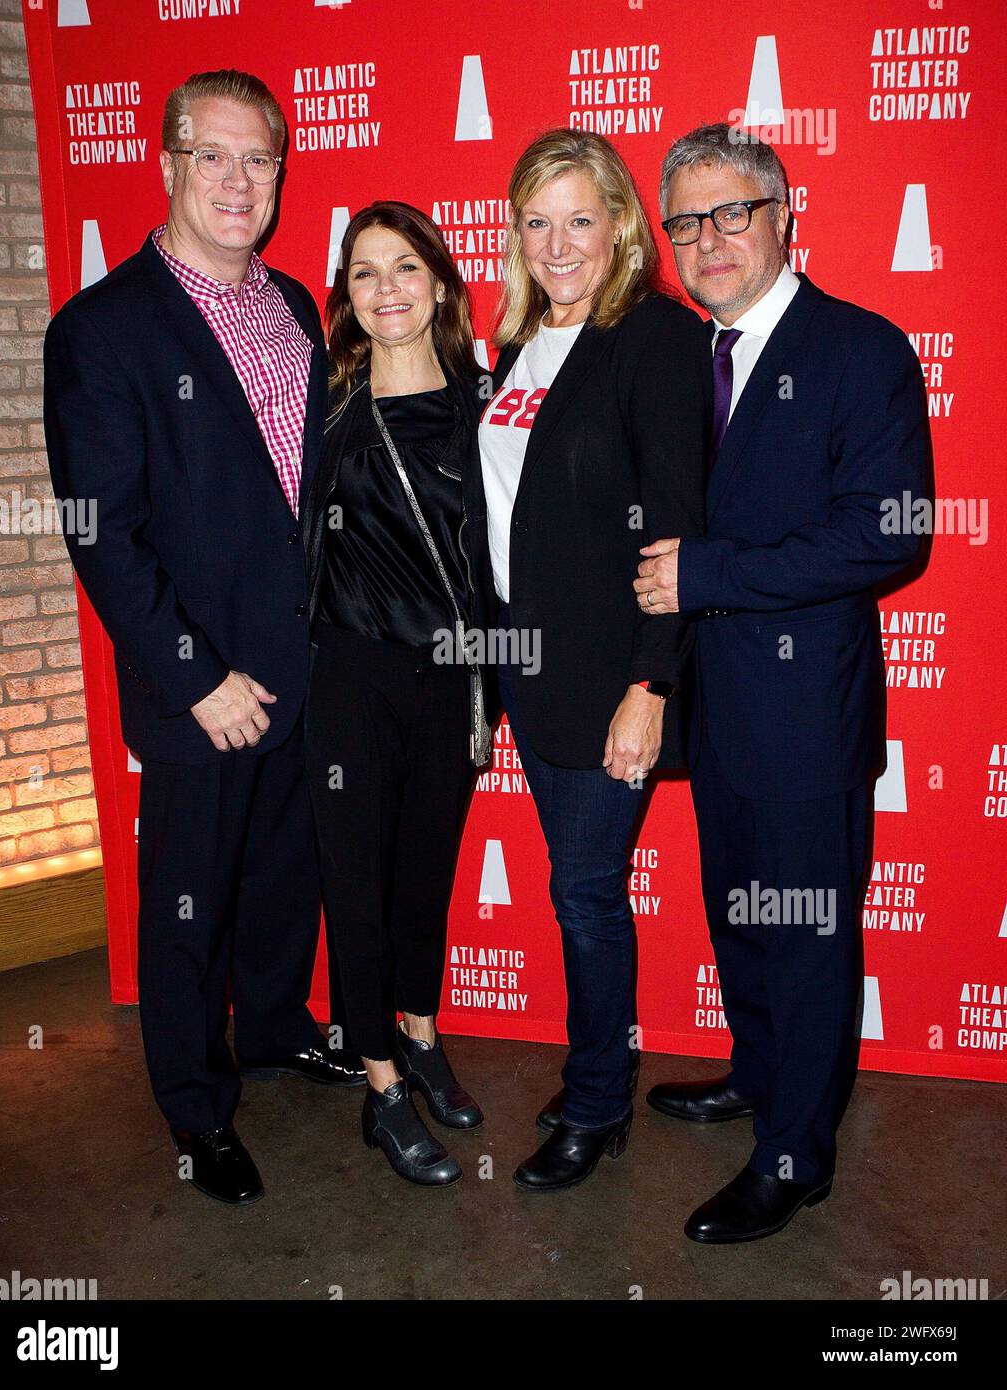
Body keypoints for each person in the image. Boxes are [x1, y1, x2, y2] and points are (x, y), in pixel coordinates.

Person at [43, 69, 364, 1208]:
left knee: (285, 879)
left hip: (305, 665)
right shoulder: (103, 327)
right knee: (188, 899)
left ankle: (275, 1028)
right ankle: (194, 1105)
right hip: (203, 686)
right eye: (212, 155)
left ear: (281, 173)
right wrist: (192, 678)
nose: (238, 181)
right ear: (168, 162)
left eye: (259, 159)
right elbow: (105, 535)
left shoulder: (291, 305)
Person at [635, 122, 931, 1242]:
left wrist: (709, 572)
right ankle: (755, 1078)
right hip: (711, 708)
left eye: (730, 213)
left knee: (805, 933)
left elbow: (886, 536)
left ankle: (796, 1153)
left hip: (806, 717)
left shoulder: (860, 349)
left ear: (781, 214)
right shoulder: (680, 355)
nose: (706, 239)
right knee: (738, 915)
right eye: (685, 222)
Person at [472, 128, 711, 1192]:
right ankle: (597, 1071)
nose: (557, 241)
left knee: (582, 892)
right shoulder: (516, 346)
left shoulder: (652, 336)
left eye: (580, 216)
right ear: (515, 234)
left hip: (609, 676)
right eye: (536, 220)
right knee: (578, 888)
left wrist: (647, 688)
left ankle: (598, 1103)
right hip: (532, 671)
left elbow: (673, 525)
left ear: (619, 224)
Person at [302, 201, 499, 1187]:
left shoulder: (485, 397)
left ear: (439, 285)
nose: (385, 289)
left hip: (448, 681)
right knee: (360, 885)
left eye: (405, 269)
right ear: (346, 293)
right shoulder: (323, 399)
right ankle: (380, 1083)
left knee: (426, 870)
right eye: (364, 272)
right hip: (348, 677)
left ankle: (419, 1029)